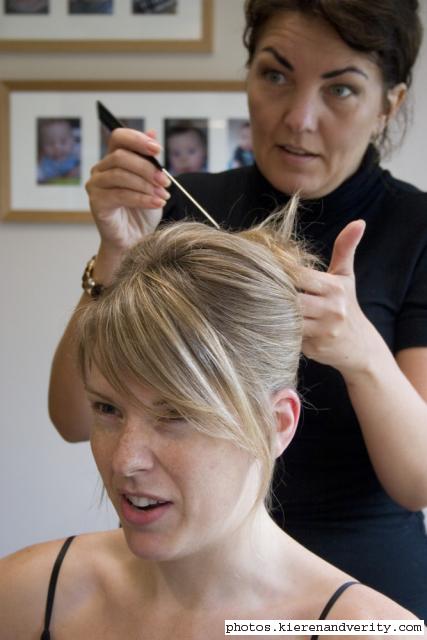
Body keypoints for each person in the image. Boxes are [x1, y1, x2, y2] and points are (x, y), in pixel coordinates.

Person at [48, 0, 427, 617]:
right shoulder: (187, 210)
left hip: (362, 596)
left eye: (341, 90)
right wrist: (116, 253)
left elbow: (419, 481)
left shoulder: (417, 231)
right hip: (194, 591)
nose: (300, 118)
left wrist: (361, 353)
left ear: (390, 102)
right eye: (275, 75)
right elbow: (73, 418)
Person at [0, 211, 421, 638]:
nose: (125, 460)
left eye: (176, 416)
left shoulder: (368, 630)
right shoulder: (29, 595)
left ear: (276, 424)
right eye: (108, 410)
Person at [37, 118, 80, 185]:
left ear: (73, 141)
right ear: (42, 147)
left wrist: (78, 169)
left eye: (63, 142)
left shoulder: (77, 153)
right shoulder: (43, 162)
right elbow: (40, 179)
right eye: (50, 143)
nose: (57, 147)